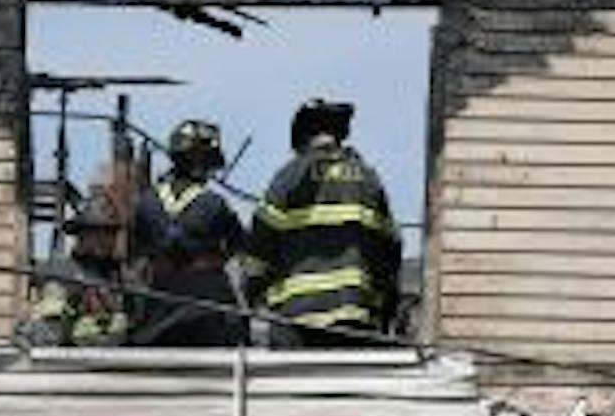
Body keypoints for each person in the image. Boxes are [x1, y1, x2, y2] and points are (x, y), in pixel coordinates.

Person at [246, 98, 401, 348]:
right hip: (356, 316)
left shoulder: (289, 177)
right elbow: (390, 249)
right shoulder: (370, 180)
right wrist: (385, 309)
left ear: (302, 137)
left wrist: (252, 295)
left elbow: (259, 247)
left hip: (297, 318)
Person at [131, 118, 246, 347]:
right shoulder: (214, 204)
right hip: (206, 309)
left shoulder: (145, 202)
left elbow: (135, 251)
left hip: (156, 304)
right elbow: (240, 246)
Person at [23, 187, 132, 348]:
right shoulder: (62, 274)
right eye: (99, 232)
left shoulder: (122, 275)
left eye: (110, 232)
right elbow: (45, 336)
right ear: (82, 235)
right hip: (73, 367)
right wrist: (73, 305)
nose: (107, 240)